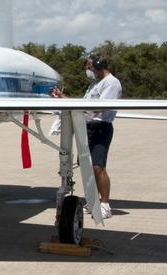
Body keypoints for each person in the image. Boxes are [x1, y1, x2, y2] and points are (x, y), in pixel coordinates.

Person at [51, 53, 121, 219]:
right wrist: (62, 98)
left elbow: (100, 108)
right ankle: (93, 202)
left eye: (89, 68)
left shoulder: (111, 83)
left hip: (100, 127)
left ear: (98, 66)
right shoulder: (94, 85)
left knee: (98, 167)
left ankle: (105, 205)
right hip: (88, 127)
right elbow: (83, 105)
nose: (88, 71)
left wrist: (80, 110)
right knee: (87, 166)